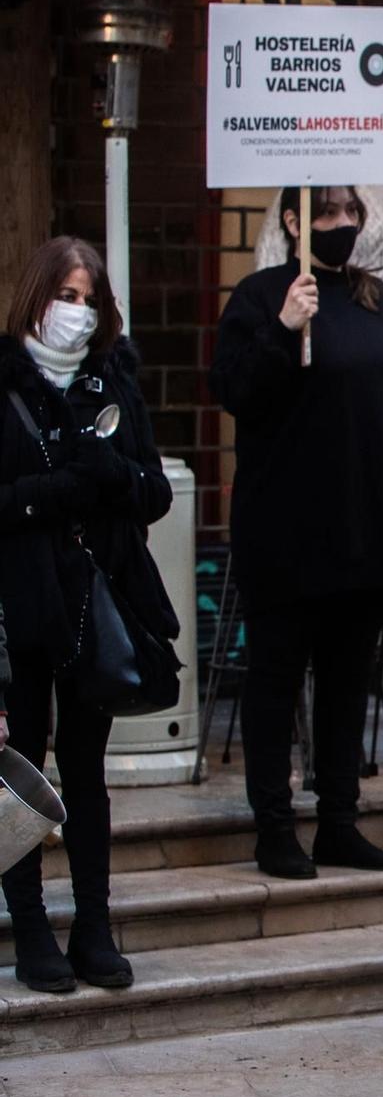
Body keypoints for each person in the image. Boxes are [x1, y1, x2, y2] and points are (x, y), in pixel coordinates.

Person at [210, 187, 383, 881]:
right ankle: (274, 827)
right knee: (277, 679)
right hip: (285, 530)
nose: (343, 226)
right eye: (327, 215)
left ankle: (339, 822)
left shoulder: (379, 303)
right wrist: (285, 327)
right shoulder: (260, 298)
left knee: (350, 681)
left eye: (351, 215)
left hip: (364, 524)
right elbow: (234, 389)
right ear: (293, 222)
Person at [0, 237, 178, 992]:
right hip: (19, 607)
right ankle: (32, 927)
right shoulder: (5, 383)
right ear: (35, 297)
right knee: (21, 772)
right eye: (63, 295)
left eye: (87, 298)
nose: (75, 312)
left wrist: (109, 473)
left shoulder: (114, 382)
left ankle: (95, 925)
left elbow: (154, 492)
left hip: (93, 604)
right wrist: (59, 491)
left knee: (87, 770)